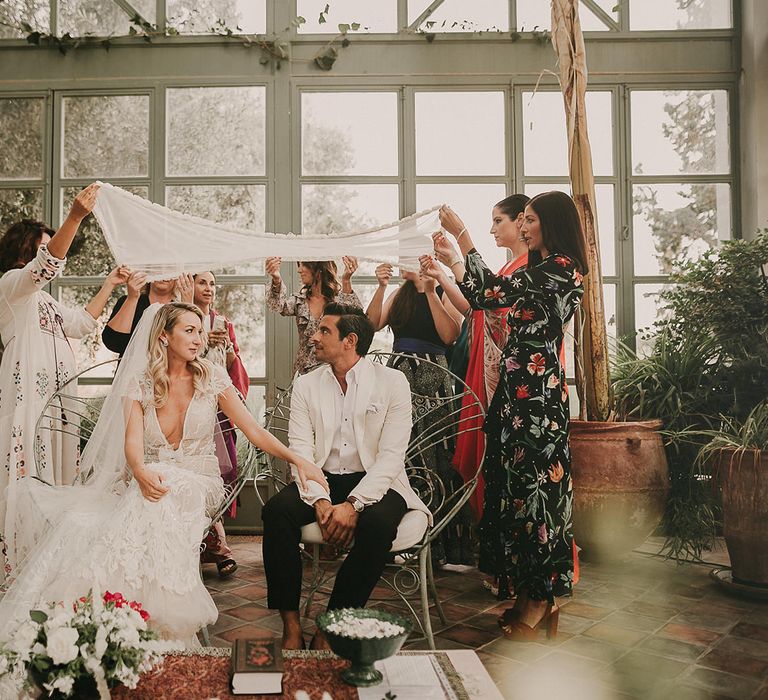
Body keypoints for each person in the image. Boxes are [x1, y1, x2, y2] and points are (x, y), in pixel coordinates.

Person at [0, 302, 328, 643]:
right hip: (150, 479)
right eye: (189, 330)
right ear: (164, 336)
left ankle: (135, 612)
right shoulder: (140, 382)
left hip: (200, 481)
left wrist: (299, 460)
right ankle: (137, 619)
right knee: (150, 494)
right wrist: (139, 470)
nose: (199, 339)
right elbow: (133, 442)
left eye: (200, 331)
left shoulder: (212, 377)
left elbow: (253, 431)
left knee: (166, 488)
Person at [420, 191, 587, 640]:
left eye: (530, 220)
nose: (525, 227)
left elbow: (485, 294)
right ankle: (530, 596)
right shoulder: (538, 270)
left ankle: (540, 600)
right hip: (515, 396)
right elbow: (486, 303)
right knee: (514, 494)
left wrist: (461, 237)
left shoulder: (561, 270)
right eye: (524, 219)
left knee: (537, 499)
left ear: (551, 224)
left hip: (538, 403)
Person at [261, 303, 431, 650]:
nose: (314, 336)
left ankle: (332, 625)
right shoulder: (307, 383)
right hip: (320, 477)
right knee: (276, 512)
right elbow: (300, 450)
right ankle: (291, 626)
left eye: (324, 331)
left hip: (378, 481)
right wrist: (321, 499)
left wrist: (353, 504)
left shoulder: (392, 382)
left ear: (350, 340)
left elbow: (391, 457)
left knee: (378, 526)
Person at [0, 184, 130, 575]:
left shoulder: (46, 300)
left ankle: (49, 561)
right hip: (27, 403)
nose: (56, 250)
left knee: (56, 477)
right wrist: (74, 217)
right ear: (28, 251)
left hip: (55, 407)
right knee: (28, 477)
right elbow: (45, 266)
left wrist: (111, 284)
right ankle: (20, 564)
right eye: (46, 244)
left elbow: (81, 324)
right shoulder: (11, 286)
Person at [366, 264, 467, 566]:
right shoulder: (398, 294)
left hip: (434, 376)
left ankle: (439, 545)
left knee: (437, 450)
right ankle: (399, 539)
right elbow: (370, 325)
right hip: (398, 375)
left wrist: (430, 291)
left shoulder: (443, 290)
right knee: (400, 451)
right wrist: (382, 286)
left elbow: (449, 336)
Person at [193, 270, 249, 578]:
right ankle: (215, 546)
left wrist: (227, 350)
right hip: (189, 404)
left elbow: (233, 367)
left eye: (212, 283)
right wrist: (201, 343)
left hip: (218, 406)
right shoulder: (183, 318)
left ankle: (214, 542)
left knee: (220, 473)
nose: (209, 288)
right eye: (202, 282)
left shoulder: (224, 323)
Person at [265, 257, 362, 375]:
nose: (299, 270)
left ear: (318, 268)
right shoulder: (299, 301)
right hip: (304, 371)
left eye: (303, 265)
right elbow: (277, 306)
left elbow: (358, 320)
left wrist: (346, 280)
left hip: (334, 370)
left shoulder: (339, 300)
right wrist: (276, 278)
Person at [102, 272, 195, 356]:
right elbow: (113, 343)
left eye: (169, 269)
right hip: (132, 373)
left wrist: (188, 306)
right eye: (158, 268)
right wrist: (132, 299)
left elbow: (193, 347)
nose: (163, 273)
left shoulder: (181, 307)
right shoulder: (129, 300)